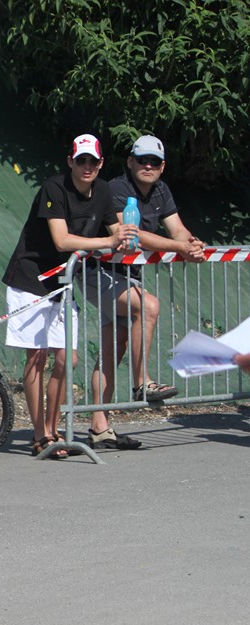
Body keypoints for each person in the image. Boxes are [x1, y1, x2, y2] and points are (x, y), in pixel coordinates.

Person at [1, 134, 137, 458]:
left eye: (93, 160)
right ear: (70, 162)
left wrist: (127, 234)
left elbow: (117, 230)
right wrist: (107, 243)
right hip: (29, 278)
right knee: (36, 357)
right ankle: (40, 435)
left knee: (67, 359)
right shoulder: (54, 187)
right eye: (81, 160)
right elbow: (62, 241)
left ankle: (53, 429)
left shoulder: (102, 190)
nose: (87, 166)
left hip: (63, 282)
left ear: (101, 163)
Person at [86, 135, 206, 449]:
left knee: (115, 346)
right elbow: (131, 234)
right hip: (97, 272)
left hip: (127, 276)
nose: (148, 166)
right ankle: (142, 383)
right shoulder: (116, 189)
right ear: (130, 162)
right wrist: (180, 247)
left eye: (154, 161)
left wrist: (190, 243)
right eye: (142, 160)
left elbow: (177, 228)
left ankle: (99, 428)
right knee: (148, 306)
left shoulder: (161, 190)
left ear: (162, 166)